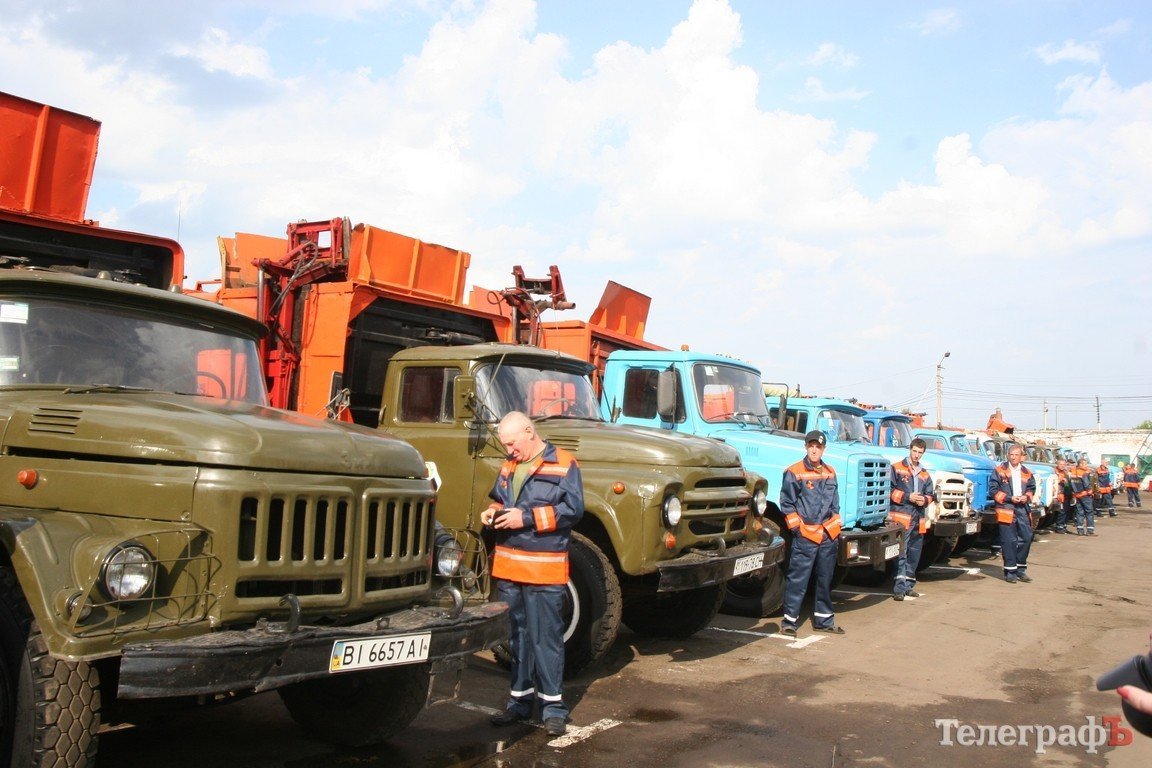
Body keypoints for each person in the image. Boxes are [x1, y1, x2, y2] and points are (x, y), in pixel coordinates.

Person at [483, 411, 583, 737]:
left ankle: (553, 708)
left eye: (512, 443)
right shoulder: (509, 465)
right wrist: (493, 513)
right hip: (510, 570)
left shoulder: (565, 464)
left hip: (543, 571)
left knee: (546, 639)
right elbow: (499, 500)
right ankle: (519, 702)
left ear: (529, 431)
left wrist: (523, 519)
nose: (509, 450)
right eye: (505, 445)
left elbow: (572, 511)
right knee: (518, 639)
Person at [779, 430, 845, 636]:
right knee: (798, 580)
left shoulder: (831, 471)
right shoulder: (794, 471)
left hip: (828, 537)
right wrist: (798, 530)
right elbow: (787, 504)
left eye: (818, 446)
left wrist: (833, 528)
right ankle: (789, 622)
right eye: (811, 446)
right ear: (806, 447)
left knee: (825, 580)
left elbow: (835, 504)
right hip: (806, 537)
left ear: (824, 449)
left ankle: (824, 621)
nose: (814, 450)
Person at [889, 438, 935, 600]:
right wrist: (908, 497)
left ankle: (909, 585)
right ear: (910, 449)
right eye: (914, 451)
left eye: (920, 453)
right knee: (901, 552)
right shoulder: (896, 468)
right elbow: (888, 491)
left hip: (918, 518)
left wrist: (925, 500)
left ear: (923, 453)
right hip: (901, 517)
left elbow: (931, 494)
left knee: (914, 552)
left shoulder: (924, 473)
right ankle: (899, 588)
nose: (916, 455)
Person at [989, 444, 1036, 583]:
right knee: (1009, 541)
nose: (1014, 457)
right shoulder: (999, 470)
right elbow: (993, 490)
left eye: (1016, 455)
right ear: (1008, 455)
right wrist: (1010, 498)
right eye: (1011, 455)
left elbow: (1032, 488)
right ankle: (1010, 572)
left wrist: (1026, 497)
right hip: (1006, 508)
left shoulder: (1027, 472)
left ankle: (1021, 569)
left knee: (1026, 538)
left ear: (1021, 457)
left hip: (1022, 508)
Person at [1073, 458, 1096, 535]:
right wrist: (1090, 490)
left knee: (1079, 513)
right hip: (1085, 495)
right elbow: (1086, 483)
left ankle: (1080, 530)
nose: (1086, 466)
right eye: (1085, 464)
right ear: (1081, 464)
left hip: (1077, 495)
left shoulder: (1073, 471)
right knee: (1089, 512)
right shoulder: (1084, 473)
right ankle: (1090, 530)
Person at [1052, 458, 1074, 534]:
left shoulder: (1066, 472)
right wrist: (1061, 479)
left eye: (1064, 464)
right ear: (1057, 464)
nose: (1062, 466)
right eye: (1061, 464)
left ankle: (1064, 526)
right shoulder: (1055, 472)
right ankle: (1059, 527)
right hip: (1060, 494)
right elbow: (1054, 481)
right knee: (1061, 511)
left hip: (1067, 494)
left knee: (1067, 511)